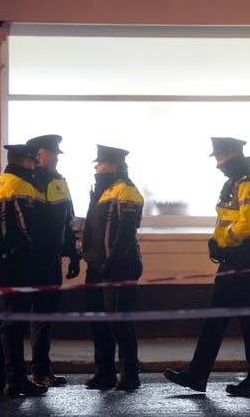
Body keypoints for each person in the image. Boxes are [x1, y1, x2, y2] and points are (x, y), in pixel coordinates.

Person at [164, 137, 250, 398]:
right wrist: (217, 242)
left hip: (241, 258)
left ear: (232, 154)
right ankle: (199, 375)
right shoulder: (235, 183)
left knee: (248, 323)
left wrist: (222, 242)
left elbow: (245, 225)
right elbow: (227, 219)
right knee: (221, 321)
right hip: (233, 259)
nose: (219, 165)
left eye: (220, 158)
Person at [0, 144, 48, 396]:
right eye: (32, 161)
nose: (34, 166)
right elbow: (27, 227)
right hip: (13, 261)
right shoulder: (21, 186)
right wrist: (38, 253)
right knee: (13, 320)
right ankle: (16, 379)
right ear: (26, 161)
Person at [82, 145, 144, 391]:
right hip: (97, 267)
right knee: (99, 322)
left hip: (118, 268)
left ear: (114, 166)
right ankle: (104, 372)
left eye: (100, 163)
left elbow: (126, 234)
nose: (96, 167)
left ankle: (130, 374)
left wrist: (111, 263)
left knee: (120, 323)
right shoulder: (103, 191)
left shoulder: (127, 191)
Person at [25, 134, 81, 387]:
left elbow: (68, 222)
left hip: (50, 260)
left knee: (44, 317)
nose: (57, 157)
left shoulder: (60, 182)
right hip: (26, 259)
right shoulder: (25, 180)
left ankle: (40, 371)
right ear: (38, 154)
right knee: (19, 318)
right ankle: (12, 373)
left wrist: (74, 256)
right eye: (52, 153)